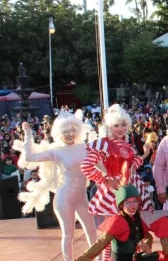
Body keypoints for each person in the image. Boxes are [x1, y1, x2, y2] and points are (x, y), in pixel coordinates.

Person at [14, 111, 99, 261]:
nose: (70, 134)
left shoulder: (84, 147)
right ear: (60, 133)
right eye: (66, 131)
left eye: (73, 130)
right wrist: (28, 134)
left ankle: (99, 259)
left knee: (92, 230)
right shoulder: (56, 150)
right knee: (69, 234)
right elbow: (29, 157)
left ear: (77, 130)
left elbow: (99, 165)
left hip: (82, 197)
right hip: (64, 197)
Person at [81, 104, 154, 260]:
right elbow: (86, 166)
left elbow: (131, 168)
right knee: (112, 233)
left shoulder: (126, 143)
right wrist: (106, 181)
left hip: (129, 188)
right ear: (109, 126)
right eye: (116, 125)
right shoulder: (104, 144)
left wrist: (145, 154)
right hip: (114, 193)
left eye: (123, 125)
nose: (121, 129)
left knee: (128, 230)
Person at [75, 184, 155, 261]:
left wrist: (146, 244)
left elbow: (147, 235)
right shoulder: (117, 221)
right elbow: (101, 243)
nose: (132, 206)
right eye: (127, 202)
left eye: (134, 201)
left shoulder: (136, 218)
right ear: (121, 205)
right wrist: (82, 259)